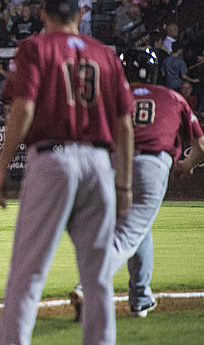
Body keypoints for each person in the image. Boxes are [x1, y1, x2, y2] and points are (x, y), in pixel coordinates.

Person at [0, 0, 135, 345]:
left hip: (53, 160)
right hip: (99, 163)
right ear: (81, 15)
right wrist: (126, 183)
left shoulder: (35, 47)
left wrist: (1, 168)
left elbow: (24, 107)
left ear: (43, 14)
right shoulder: (105, 54)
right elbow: (125, 124)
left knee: (27, 274)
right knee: (97, 279)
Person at [69, 49, 204, 321]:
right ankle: (87, 285)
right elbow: (200, 145)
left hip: (111, 164)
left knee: (138, 228)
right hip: (151, 166)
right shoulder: (173, 96)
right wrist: (186, 166)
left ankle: (140, 297)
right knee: (129, 233)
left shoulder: (111, 97)